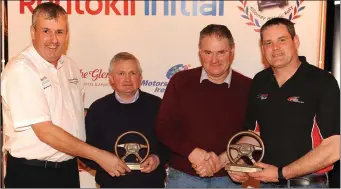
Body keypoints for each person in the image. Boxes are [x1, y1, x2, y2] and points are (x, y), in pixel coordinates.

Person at [1, 2, 129, 188]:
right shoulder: (22, 69)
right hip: (32, 174)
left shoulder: (70, 67)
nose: (54, 39)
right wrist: (97, 155)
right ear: (32, 32)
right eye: (46, 31)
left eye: (59, 32)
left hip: (67, 171)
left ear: (67, 34)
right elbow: (45, 131)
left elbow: (74, 119)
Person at [228, 17, 340, 188]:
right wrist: (238, 162)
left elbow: (334, 147)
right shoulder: (260, 81)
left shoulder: (323, 82)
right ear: (262, 48)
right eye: (268, 43)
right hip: (266, 183)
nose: (275, 48)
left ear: (296, 41)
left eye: (282, 40)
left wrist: (281, 173)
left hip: (307, 185)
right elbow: (254, 134)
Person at [156, 24, 252, 188]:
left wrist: (237, 160)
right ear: (199, 51)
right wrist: (192, 152)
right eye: (208, 52)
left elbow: (253, 134)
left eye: (221, 52)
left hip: (228, 180)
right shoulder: (180, 81)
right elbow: (163, 127)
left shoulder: (248, 87)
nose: (214, 60)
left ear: (232, 50)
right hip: (182, 178)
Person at [80, 52, 169, 188]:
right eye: (121, 73)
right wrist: (103, 163)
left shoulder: (158, 106)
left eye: (132, 73)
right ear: (111, 78)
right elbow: (84, 149)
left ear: (140, 77)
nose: (127, 79)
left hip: (151, 184)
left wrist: (158, 158)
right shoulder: (98, 109)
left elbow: (171, 144)